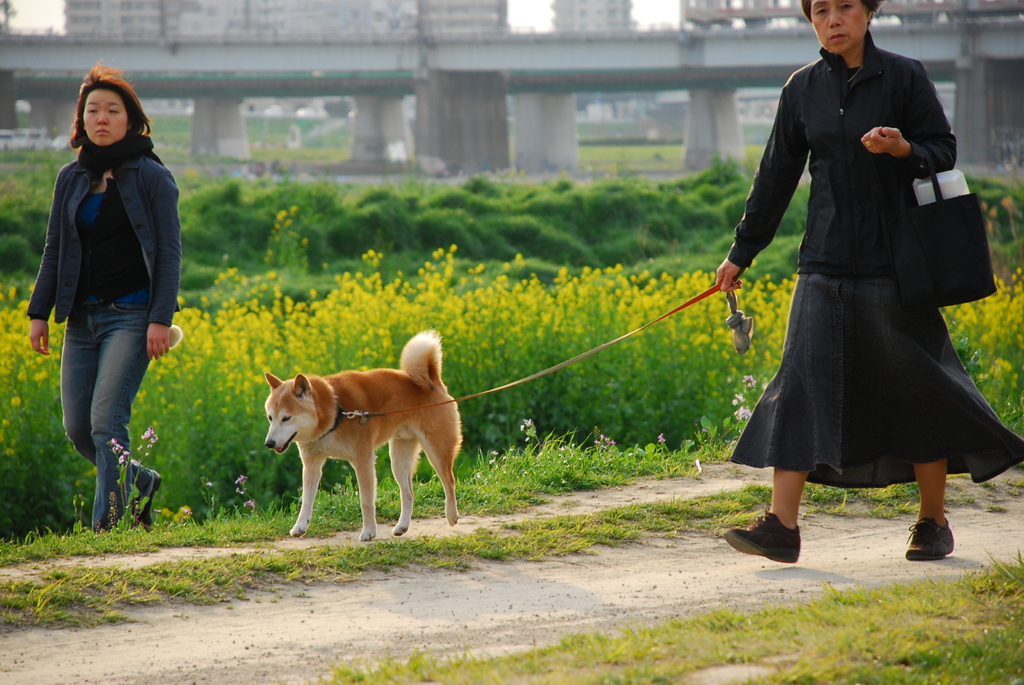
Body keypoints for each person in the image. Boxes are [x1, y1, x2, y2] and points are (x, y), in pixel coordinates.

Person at [716, 0, 1024, 563]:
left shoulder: (904, 77)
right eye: (821, 10)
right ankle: (782, 527)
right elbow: (776, 175)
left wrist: (902, 149)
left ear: (869, 11)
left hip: (896, 266)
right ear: (811, 20)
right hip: (822, 263)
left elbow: (943, 151)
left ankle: (933, 521)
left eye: (846, 7)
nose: (834, 20)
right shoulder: (801, 89)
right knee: (800, 385)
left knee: (918, 385)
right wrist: (742, 251)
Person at [27, 65, 181, 532]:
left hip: (132, 317)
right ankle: (140, 481)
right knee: (78, 428)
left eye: (112, 110)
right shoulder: (70, 177)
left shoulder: (153, 176)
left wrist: (160, 318)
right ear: (82, 119)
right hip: (81, 318)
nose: (101, 118)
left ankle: (107, 528)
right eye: (93, 109)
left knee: (106, 422)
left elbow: (169, 252)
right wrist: (39, 313)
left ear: (130, 120)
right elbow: (55, 247)